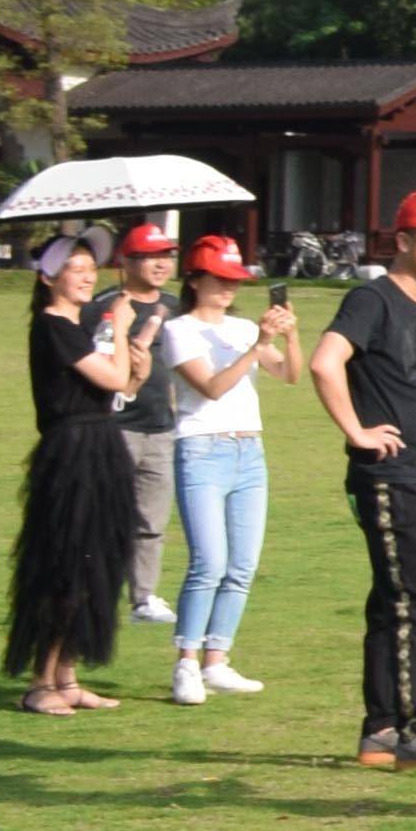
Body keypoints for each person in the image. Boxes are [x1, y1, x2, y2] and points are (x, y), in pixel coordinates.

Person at [312, 184, 416, 769]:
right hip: (394, 477)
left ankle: (382, 729)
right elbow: (324, 360)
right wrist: (359, 431)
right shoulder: (373, 299)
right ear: (405, 240)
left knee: (395, 601)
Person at [8, 231, 154, 717]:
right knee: (65, 567)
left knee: (95, 567)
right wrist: (120, 330)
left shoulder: (79, 328)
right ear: (49, 277)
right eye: (75, 266)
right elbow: (111, 378)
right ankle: (39, 682)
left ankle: (66, 678)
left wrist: (140, 362)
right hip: (72, 453)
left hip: (101, 444)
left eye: (91, 265)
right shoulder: (53, 325)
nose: (88, 274)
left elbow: (121, 388)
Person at [154, 233, 295, 707]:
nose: (229, 289)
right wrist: (257, 346)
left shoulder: (239, 329)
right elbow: (211, 387)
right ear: (194, 279)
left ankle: (218, 659)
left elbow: (290, 374)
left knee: (242, 565)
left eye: (235, 281)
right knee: (208, 563)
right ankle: (186, 664)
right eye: (220, 279)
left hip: (248, 451)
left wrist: (289, 336)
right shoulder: (180, 330)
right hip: (202, 449)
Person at [110, 216, 188, 631]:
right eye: (148, 256)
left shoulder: (178, 308)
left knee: (152, 521)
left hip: (162, 427)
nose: (159, 263)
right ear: (126, 260)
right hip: (116, 425)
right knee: (108, 517)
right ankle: (97, 591)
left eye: (165, 256)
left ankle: (143, 597)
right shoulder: (108, 309)